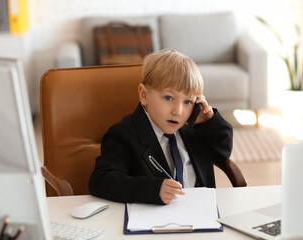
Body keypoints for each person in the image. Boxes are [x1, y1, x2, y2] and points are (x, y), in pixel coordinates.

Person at [88, 49, 233, 205]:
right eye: (168, 97)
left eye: (188, 102)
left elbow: (222, 152)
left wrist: (209, 121)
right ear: (144, 95)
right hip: (153, 220)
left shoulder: (195, 128)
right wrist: (152, 189)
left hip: (201, 213)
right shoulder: (123, 134)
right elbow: (102, 180)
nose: (178, 111)